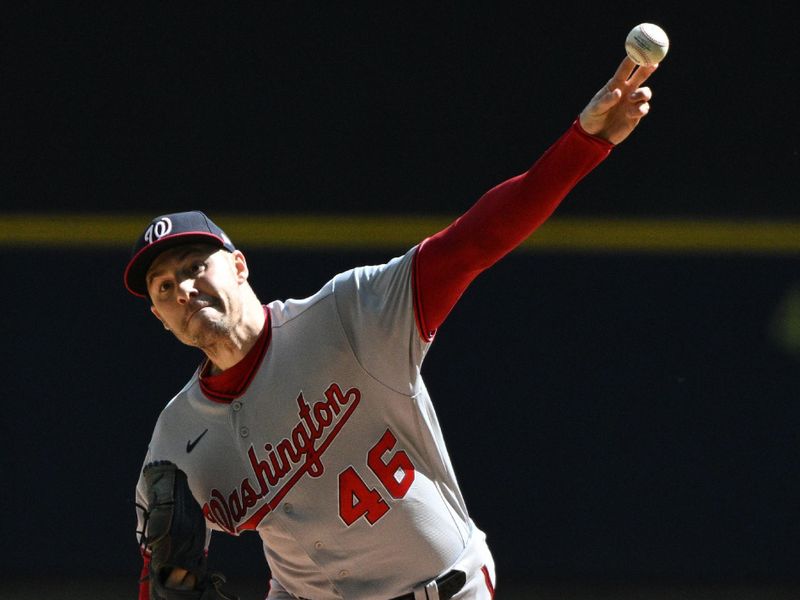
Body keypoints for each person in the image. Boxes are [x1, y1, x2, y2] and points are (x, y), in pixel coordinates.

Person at [127, 55, 658, 600]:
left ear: (239, 266)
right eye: (164, 287)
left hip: (442, 589)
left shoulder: (348, 314)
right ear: (159, 317)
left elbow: (472, 243)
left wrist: (584, 142)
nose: (184, 289)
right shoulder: (176, 438)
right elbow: (160, 571)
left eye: (195, 266)